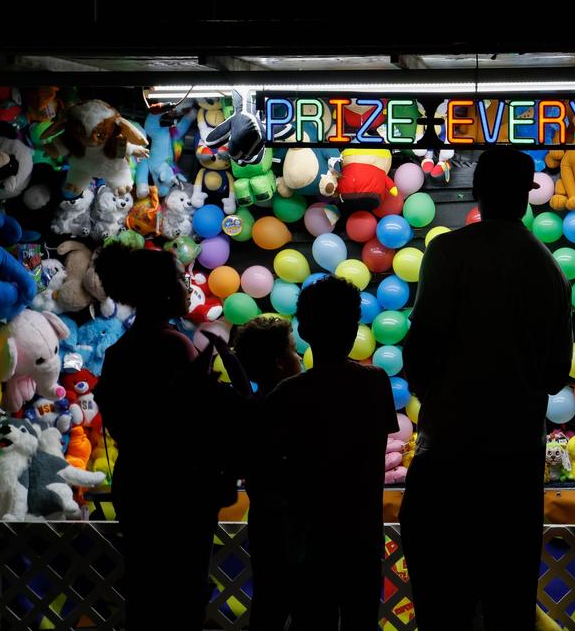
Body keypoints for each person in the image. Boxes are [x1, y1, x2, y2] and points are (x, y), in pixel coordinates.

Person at [400, 146, 574, 630]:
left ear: (477, 191)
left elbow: (420, 350)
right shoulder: (548, 269)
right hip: (514, 467)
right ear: (526, 196)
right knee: (508, 603)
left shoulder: (447, 252)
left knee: (441, 605)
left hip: (448, 457)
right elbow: (556, 374)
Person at [259, 275, 399, 630]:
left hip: (309, 537)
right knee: (360, 620)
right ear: (354, 328)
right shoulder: (376, 382)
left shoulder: (287, 395)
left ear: (304, 330)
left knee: (312, 620)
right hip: (362, 533)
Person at [93, 244, 217, 629]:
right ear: (164, 290)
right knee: (182, 593)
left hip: (137, 484)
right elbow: (193, 422)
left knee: (146, 593)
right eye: (181, 279)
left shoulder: (119, 352)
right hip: (177, 488)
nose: (187, 287)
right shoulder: (174, 346)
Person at [231, 316, 302, 630]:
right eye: (293, 350)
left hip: (264, 520)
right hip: (292, 522)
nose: (298, 356)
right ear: (279, 363)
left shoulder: (249, 407)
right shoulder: (291, 407)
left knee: (268, 603)